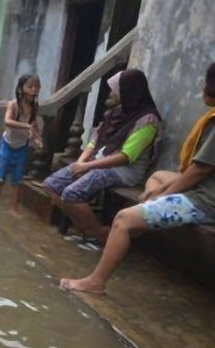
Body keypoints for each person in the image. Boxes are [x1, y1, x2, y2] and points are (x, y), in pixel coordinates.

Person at [61, 57, 215, 293]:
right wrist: (160, 191)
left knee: (123, 219)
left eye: (208, 82)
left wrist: (164, 196)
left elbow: (201, 169)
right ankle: (146, 212)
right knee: (159, 177)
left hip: (213, 202)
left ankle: (96, 281)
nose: (204, 87)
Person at [43, 69, 162, 248]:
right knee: (51, 184)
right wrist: (82, 161)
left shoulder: (148, 120)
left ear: (128, 91)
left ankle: (100, 234)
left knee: (71, 193)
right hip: (97, 162)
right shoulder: (117, 113)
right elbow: (95, 139)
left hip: (122, 170)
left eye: (116, 89)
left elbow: (125, 157)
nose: (112, 94)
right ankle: (83, 226)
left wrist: (88, 167)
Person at [0, 75, 43, 220]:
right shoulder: (14, 105)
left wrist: (38, 138)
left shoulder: (34, 107)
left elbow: (34, 124)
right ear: (21, 88)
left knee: (17, 181)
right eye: (30, 87)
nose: (34, 90)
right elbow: (7, 121)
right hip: (7, 145)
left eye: (36, 87)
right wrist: (26, 126)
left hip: (22, 147)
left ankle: (13, 209)